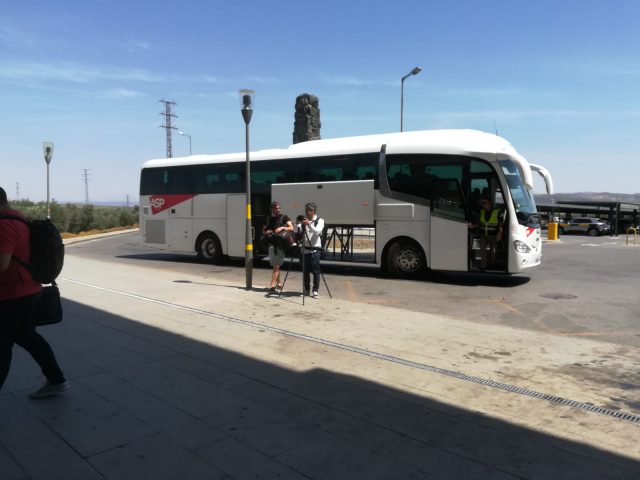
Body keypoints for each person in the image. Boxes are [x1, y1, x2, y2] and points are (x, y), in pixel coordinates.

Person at [0, 186, 68, 398]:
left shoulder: (4, 226)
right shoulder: (20, 219)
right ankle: (56, 380)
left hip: (12, 296)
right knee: (28, 337)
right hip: (29, 290)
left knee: (2, 345)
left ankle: (57, 381)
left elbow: (2, 264)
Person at [262, 202, 294, 292]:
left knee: (276, 265)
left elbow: (291, 228)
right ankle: (279, 283)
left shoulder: (284, 217)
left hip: (281, 245)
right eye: (276, 208)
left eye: (279, 208)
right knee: (274, 265)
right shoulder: (268, 219)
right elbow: (263, 231)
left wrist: (282, 228)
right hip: (271, 244)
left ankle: (272, 286)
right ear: (271, 209)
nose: (278, 210)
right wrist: (266, 232)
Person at [468, 196, 503, 270]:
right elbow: (479, 223)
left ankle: (492, 266)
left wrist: (500, 233)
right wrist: (472, 226)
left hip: (493, 235)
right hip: (483, 235)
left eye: (484, 203)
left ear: (490, 202)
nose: (483, 205)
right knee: (482, 251)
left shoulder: (497, 211)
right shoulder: (482, 211)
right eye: (482, 203)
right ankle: (483, 266)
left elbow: (500, 223)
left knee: (493, 252)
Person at [298, 202, 324, 298]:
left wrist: (309, 224)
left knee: (316, 271)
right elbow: (300, 235)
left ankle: (315, 290)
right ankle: (306, 290)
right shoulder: (304, 221)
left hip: (315, 250)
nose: (306, 212)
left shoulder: (320, 220)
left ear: (313, 211)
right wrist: (299, 226)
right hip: (305, 249)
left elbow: (317, 232)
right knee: (305, 271)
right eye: (306, 210)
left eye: (308, 210)